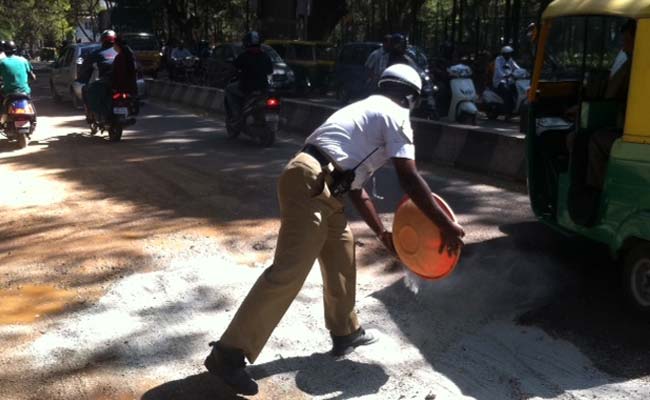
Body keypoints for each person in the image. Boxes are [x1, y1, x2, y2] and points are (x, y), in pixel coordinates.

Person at [203, 64, 465, 396]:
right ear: (410, 97)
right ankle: (227, 354)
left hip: (324, 185)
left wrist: (383, 233)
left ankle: (346, 331)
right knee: (289, 271)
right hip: (312, 183)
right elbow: (409, 178)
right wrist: (446, 225)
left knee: (342, 251)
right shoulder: (396, 114)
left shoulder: (367, 110)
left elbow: (357, 189)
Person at [586, 19, 636, 190]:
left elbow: (609, 96)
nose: (623, 47)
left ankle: (597, 194)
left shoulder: (633, 65)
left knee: (595, 140)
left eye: (626, 41)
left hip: (635, 136)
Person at [224, 31, 273, 123]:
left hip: (246, 88)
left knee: (229, 89)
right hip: (263, 88)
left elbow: (233, 69)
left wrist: (228, 76)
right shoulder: (266, 56)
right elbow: (270, 71)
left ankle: (236, 115)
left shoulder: (243, 56)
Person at [78, 30, 117, 122]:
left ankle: (90, 115)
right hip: (124, 83)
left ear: (103, 41)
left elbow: (85, 67)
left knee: (86, 89)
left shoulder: (97, 53)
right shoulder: (123, 51)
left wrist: (81, 77)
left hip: (106, 82)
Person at [0, 40, 36, 105]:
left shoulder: (2, 62)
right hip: (25, 92)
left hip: (9, 93)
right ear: (15, 50)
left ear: (4, 51)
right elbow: (33, 77)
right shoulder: (24, 60)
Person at [492, 46, 522, 117]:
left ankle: (515, 106)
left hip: (509, 80)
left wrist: (522, 72)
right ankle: (507, 111)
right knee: (506, 91)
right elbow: (498, 69)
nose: (509, 55)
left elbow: (517, 67)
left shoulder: (510, 60)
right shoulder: (498, 59)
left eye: (510, 54)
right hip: (499, 80)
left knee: (517, 89)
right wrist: (504, 75)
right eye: (507, 54)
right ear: (503, 54)